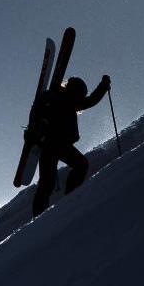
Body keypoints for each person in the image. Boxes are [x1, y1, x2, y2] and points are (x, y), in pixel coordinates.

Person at [29, 74, 111, 216]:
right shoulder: (65, 100)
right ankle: (67, 200)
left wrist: (103, 87)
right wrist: (103, 86)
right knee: (77, 167)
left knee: (49, 182)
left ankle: (41, 214)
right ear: (75, 90)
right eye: (81, 93)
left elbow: (90, 101)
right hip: (54, 144)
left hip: (54, 145)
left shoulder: (62, 99)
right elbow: (90, 101)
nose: (81, 97)